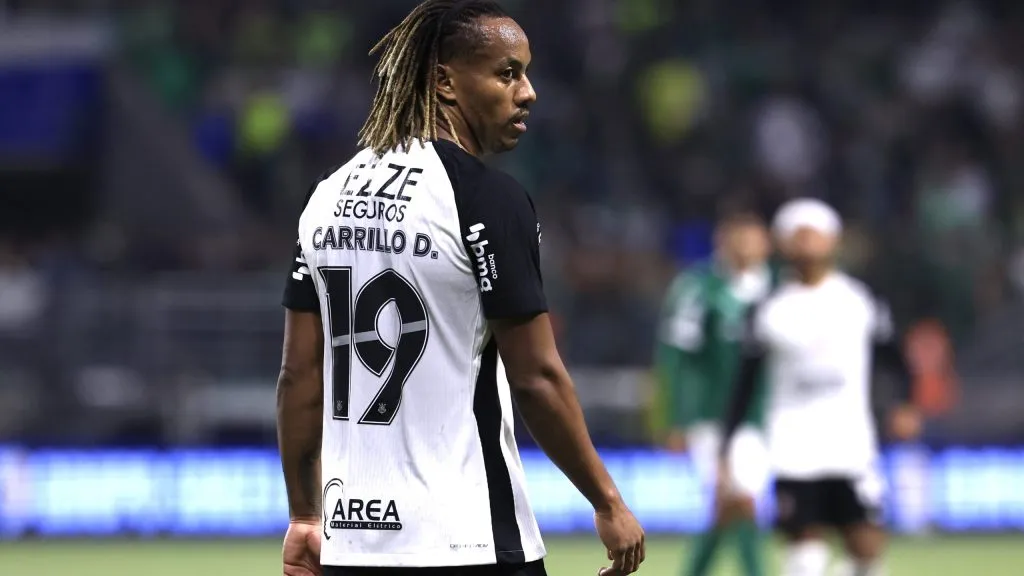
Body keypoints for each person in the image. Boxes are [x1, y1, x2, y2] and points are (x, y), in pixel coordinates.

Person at [275, 1, 645, 575]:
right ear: (445, 82)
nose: (528, 92)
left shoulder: (326, 196)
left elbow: (299, 376)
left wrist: (304, 516)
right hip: (469, 540)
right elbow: (537, 377)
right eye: (508, 72)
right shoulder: (486, 199)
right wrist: (607, 501)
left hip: (353, 547)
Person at [721, 198, 922, 576]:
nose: (807, 244)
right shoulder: (767, 309)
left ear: (833, 241)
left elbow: (896, 360)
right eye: (798, 236)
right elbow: (743, 383)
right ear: (783, 244)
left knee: (866, 548)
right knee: (804, 553)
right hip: (792, 445)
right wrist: (727, 444)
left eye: (814, 234)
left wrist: (905, 403)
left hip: (851, 443)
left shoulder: (861, 300)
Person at [656, 208, 774, 576]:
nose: (748, 246)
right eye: (739, 237)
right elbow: (675, 357)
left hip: (767, 415)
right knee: (741, 500)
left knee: (727, 508)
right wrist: (674, 416)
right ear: (722, 241)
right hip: (712, 415)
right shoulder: (699, 287)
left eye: (755, 238)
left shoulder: (777, 286)